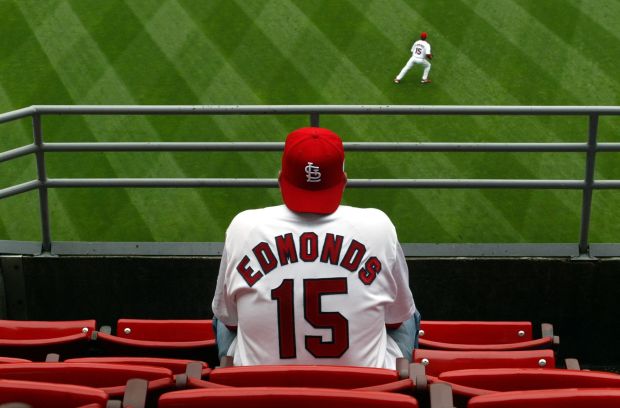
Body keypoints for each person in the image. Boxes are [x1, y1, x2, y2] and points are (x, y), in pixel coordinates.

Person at [212, 127, 419, 369]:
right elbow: (395, 322)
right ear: (343, 181)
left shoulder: (243, 227)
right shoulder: (378, 226)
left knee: (221, 313)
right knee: (408, 314)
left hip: (261, 388)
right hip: (367, 388)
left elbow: (231, 323)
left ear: (280, 179)